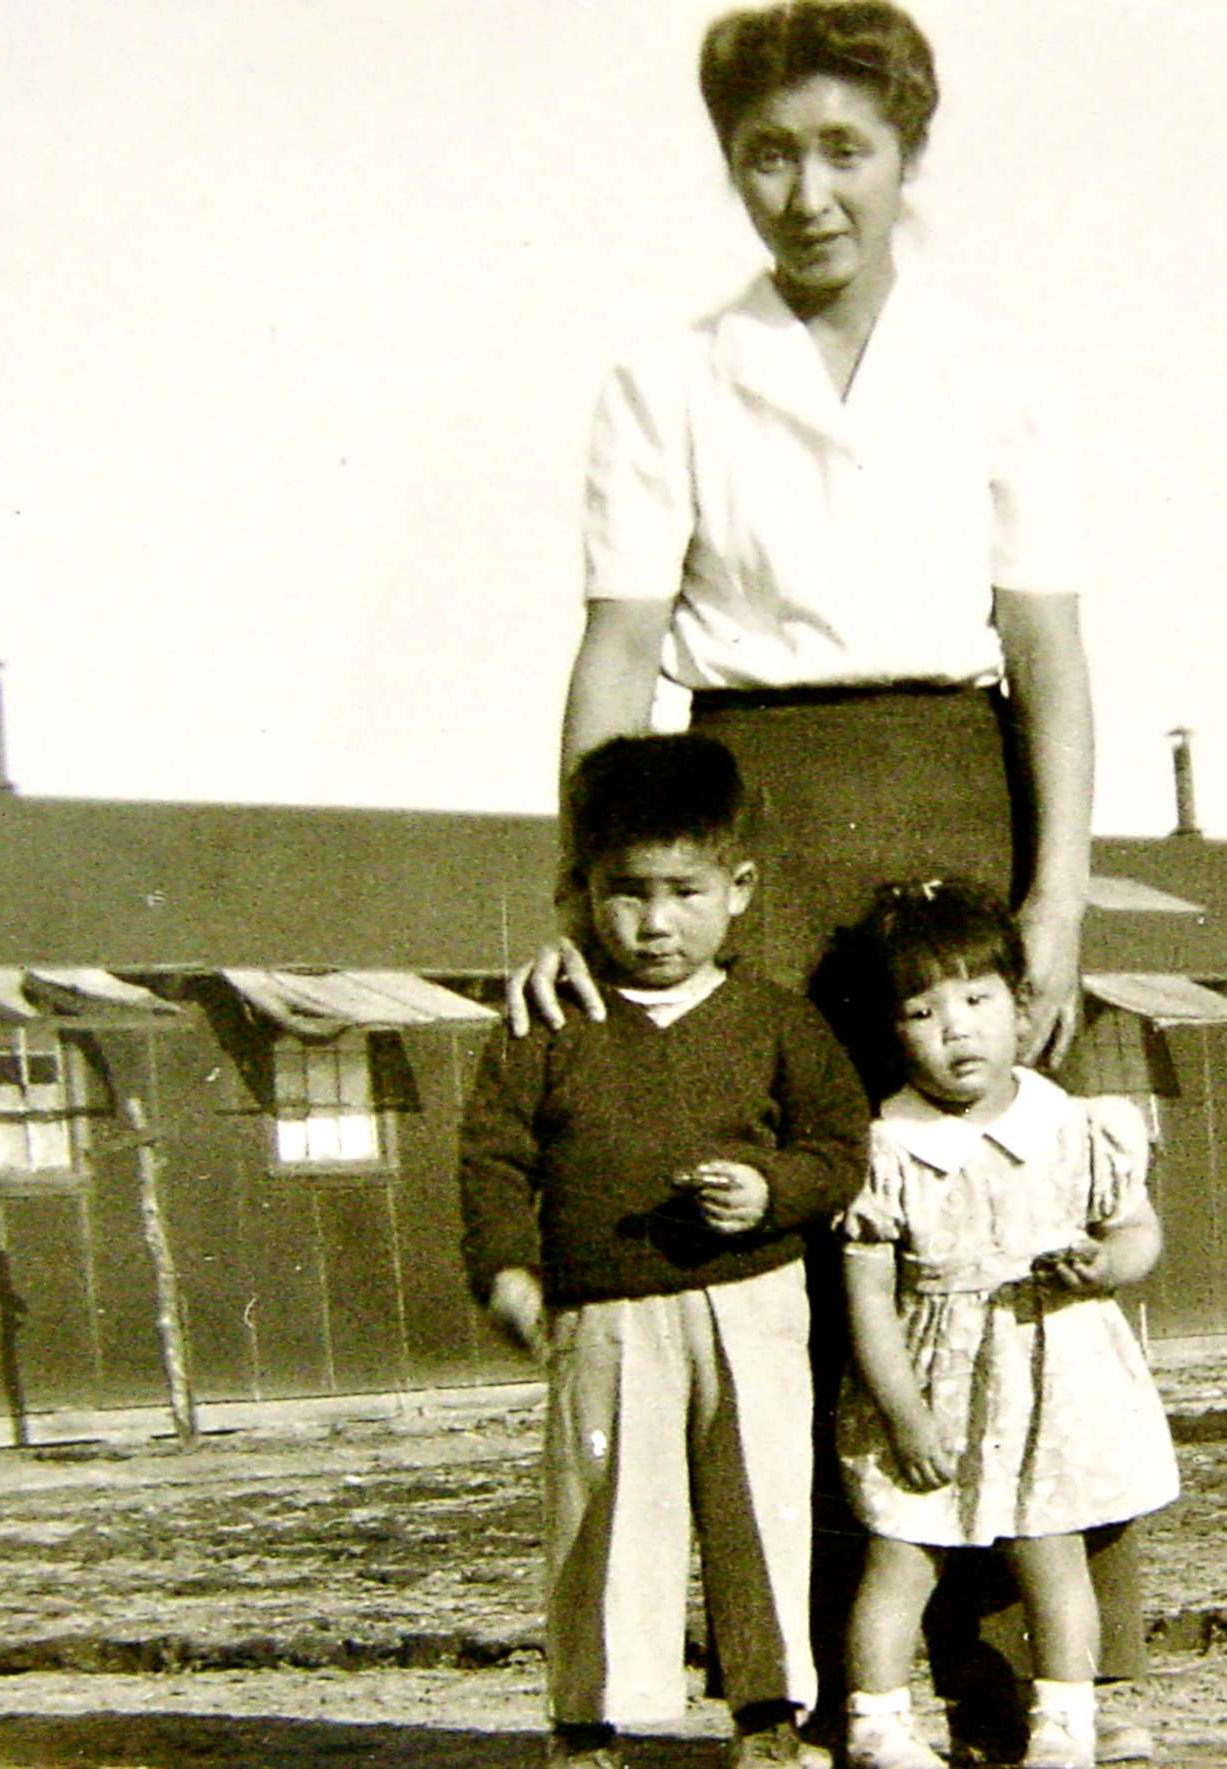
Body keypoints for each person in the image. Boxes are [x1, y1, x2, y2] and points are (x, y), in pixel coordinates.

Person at [509, 3, 1155, 1760]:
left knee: (990, 1231)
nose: (805, 190)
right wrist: (577, 900)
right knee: (784, 1245)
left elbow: (1054, 657)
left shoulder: (1000, 369)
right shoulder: (665, 380)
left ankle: (1023, 1667)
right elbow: (616, 651)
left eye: (841, 148)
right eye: (767, 153)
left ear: (906, 156)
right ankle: (805, 1680)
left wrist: (1060, 899)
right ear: (731, 166)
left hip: (953, 803)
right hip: (752, 820)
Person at [461, 734, 869, 1769]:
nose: (652, 921)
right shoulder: (546, 1020)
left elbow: (839, 1147)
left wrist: (774, 1188)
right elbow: (494, 1157)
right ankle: (590, 1724)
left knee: (761, 1503)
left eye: (683, 891)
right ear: (578, 892)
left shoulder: (779, 1020)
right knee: (604, 1513)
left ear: (737, 888)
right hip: (604, 1312)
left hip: (753, 1300)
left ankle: (771, 1714)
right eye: (624, 892)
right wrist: (507, 1268)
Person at [830, 881, 1178, 1769]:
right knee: (903, 1554)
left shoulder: (1073, 1127)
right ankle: (877, 1726)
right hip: (932, 1382)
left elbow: (1137, 1229)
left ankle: (1064, 1724)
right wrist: (904, 1414)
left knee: (1053, 1551)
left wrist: (1107, 1264)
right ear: (891, 1028)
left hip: (1054, 1377)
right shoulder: (886, 1149)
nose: (956, 1030)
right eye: (922, 1010)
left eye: (978, 1001)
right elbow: (867, 1296)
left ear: (1022, 1011)